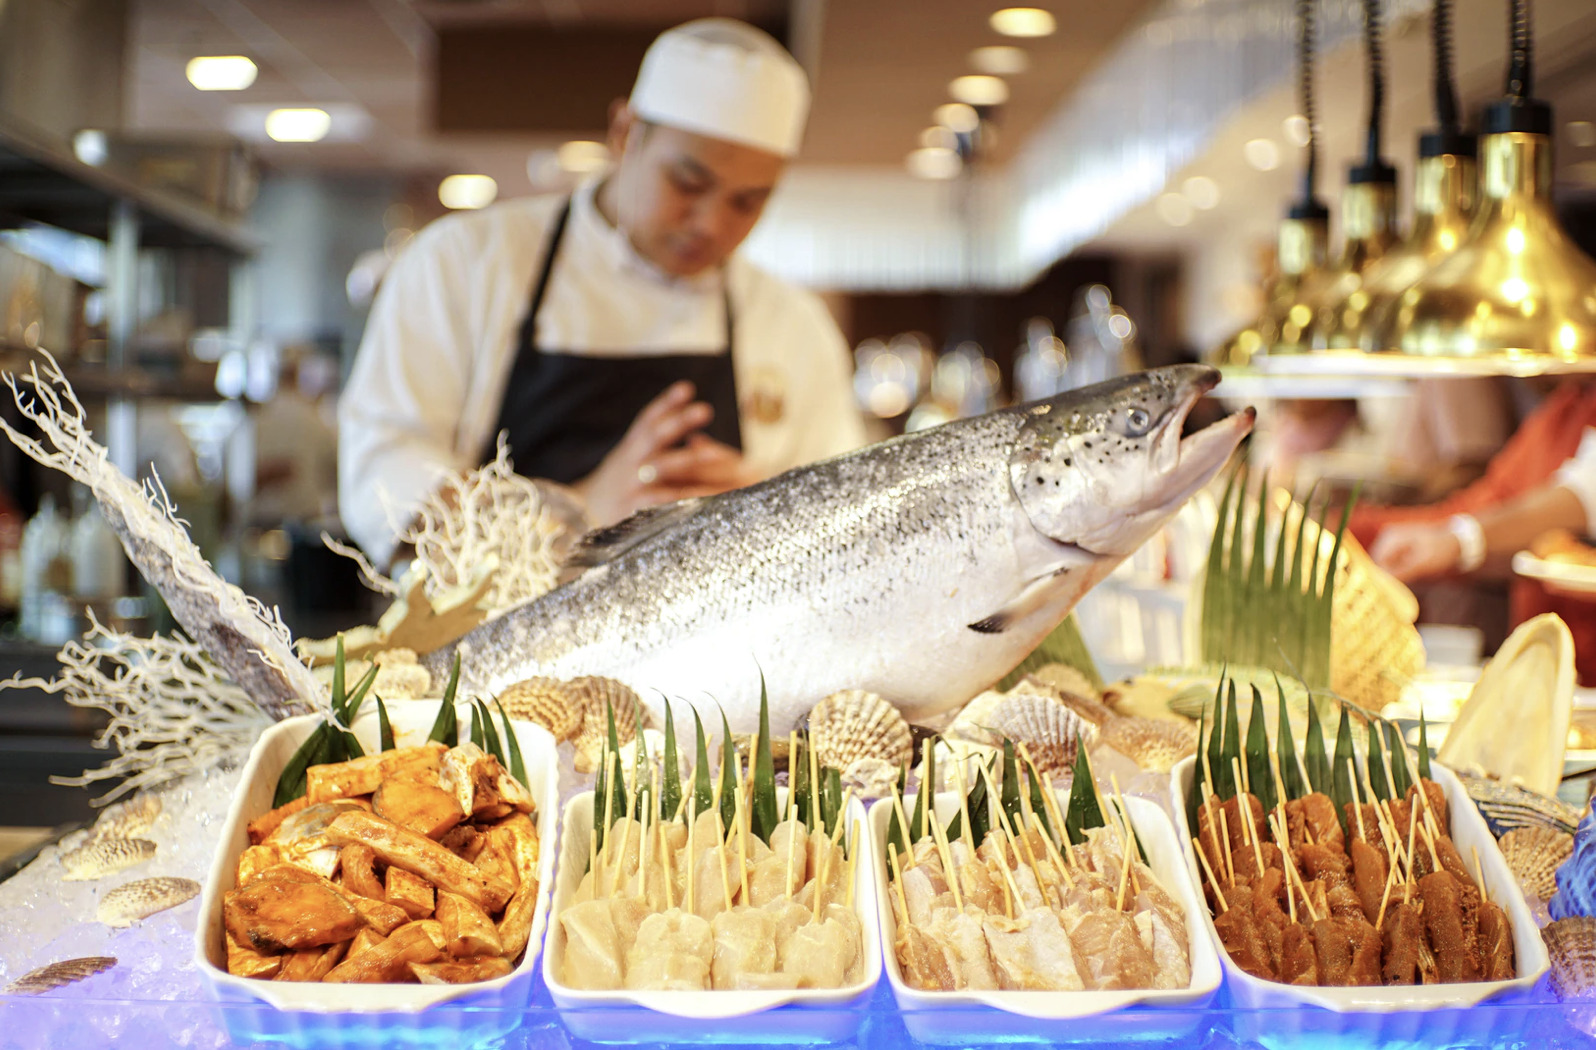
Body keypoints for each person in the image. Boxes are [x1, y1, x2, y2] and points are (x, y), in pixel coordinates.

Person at [339, 18, 867, 568]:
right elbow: (385, 483)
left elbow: (851, 520)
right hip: (489, 643)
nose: (711, 224)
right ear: (624, 133)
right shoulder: (464, 263)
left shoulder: (790, 323)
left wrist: (765, 509)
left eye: (747, 202)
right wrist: (578, 512)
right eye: (687, 183)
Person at [1357, 378, 1596, 678]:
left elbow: (1584, 492)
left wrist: (1459, 540)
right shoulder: (1563, 409)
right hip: (1544, 673)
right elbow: (1483, 507)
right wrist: (1346, 529)